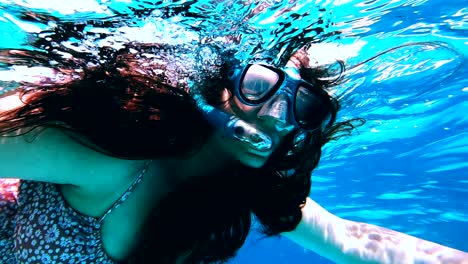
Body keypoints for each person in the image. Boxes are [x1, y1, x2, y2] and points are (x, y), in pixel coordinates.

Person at [0, 38, 466, 264]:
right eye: (262, 85)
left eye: (305, 107)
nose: (276, 113)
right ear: (222, 87)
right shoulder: (113, 146)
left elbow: (350, 239)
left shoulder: (244, 187)